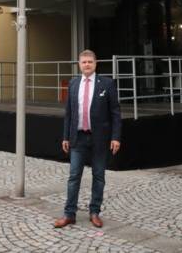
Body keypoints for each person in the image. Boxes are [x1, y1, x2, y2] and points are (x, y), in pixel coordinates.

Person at [54, 49, 121, 229]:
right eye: (83, 62)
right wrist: (65, 136)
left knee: (98, 176)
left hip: (100, 139)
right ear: (79, 64)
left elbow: (115, 112)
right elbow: (69, 113)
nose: (87, 65)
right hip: (78, 138)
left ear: (95, 63)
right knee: (74, 176)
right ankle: (69, 214)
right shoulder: (73, 84)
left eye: (90, 62)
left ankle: (94, 212)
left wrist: (116, 137)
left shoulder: (107, 84)